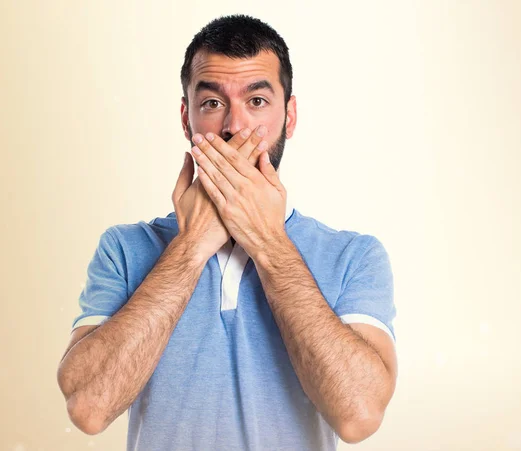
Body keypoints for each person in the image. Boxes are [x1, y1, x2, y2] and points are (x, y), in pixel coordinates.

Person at [57, 14, 398, 451]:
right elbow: (88, 406)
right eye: (213, 103)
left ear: (289, 117)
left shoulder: (353, 255)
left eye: (257, 101)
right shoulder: (124, 249)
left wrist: (269, 244)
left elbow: (359, 415)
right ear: (187, 119)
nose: (234, 127)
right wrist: (190, 249)